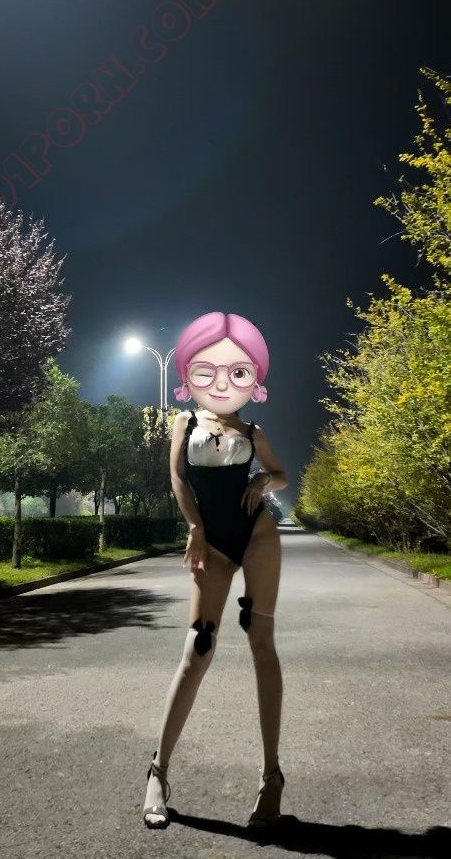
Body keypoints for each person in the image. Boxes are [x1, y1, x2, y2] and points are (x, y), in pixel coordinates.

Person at [143, 311, 288, 830]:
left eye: (238, 371)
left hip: (258, 535)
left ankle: (271, 778)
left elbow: (280, 473)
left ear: (254, 378)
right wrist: (195, 528)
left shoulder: (252, 429)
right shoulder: (184, 423)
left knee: (262, 645)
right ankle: (158, 772)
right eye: (207, 370)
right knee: (197, 650)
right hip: (213, 543)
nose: (223, 382)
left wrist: (264, 482)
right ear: (188, 374)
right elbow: (179, 479)